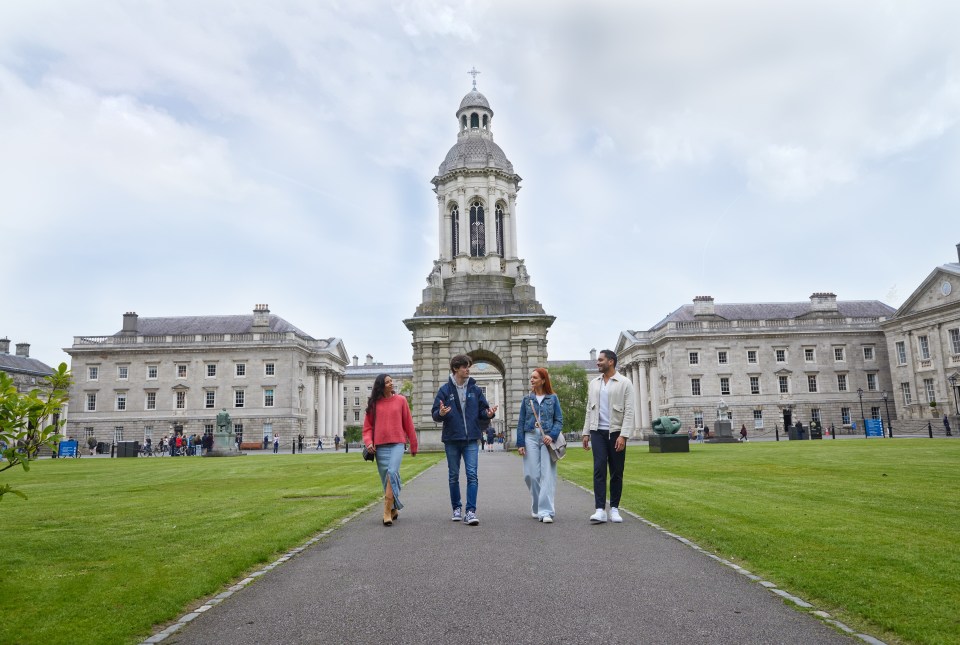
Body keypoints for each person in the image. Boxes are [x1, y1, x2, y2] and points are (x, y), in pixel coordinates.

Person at [432, 354, 497, 526]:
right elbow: (435, 415)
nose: (468, 369)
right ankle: (456, 508)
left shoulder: (475, 390)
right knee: (453, 476)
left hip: (471, 439)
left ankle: (470, 511)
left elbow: (483, 411)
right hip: (452, 439)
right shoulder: (445, 390)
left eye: (469, 366)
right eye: (465, 366)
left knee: (472, 475)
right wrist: (441, 413)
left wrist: (489, 414)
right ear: (456, 369)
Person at [582, 349, 635, 524]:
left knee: (616, 471)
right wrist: (586, 433)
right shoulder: (594, 383)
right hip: (597, 431)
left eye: (600, 360)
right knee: (599, 468)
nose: (597, 363)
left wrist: (624, 435)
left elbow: (629, 412)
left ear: (610, 362)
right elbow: (590, 408)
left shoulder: (624, 382)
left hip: (616, 432)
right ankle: (599, 509)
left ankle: (614, 509)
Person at [363, 374, 419, 526]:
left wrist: (413, 444)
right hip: (379, 447)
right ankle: (394, 509)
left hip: (397, 444)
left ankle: (386, 510)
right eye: (387, 382)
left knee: (392, 473)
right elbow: (367, 428)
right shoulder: (374, 404)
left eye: (391, 381)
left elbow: (408, 424)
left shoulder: (401, 400)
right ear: (381, 385)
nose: (391, 384)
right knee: (386, 479)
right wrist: (369, 443)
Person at [516, 368, 564, 523]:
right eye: (531, 377)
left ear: (543, 380)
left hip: (546, 438)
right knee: (531, 475)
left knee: (547, 475)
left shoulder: (553, 398)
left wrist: (552, 435)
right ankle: (537, 505)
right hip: (530, 435)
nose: (532, 380)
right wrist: (520, 443)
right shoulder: (527, 399)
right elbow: (521, 422)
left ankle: (546, 511)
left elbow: (559, 420)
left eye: (535, 377)